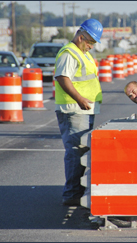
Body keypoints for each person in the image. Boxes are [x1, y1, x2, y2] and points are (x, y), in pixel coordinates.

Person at [53, 19, 103, 206]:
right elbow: (62, 77)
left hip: (84, 111)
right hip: (74, 110)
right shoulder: (69, 53)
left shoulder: (83, 52)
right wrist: (80, 99)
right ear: (81, 37)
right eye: (90, 42)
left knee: (81, 151)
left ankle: (77, 191)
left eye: (94, 43)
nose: (91, 46)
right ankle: (72, 194)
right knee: (75, 152)